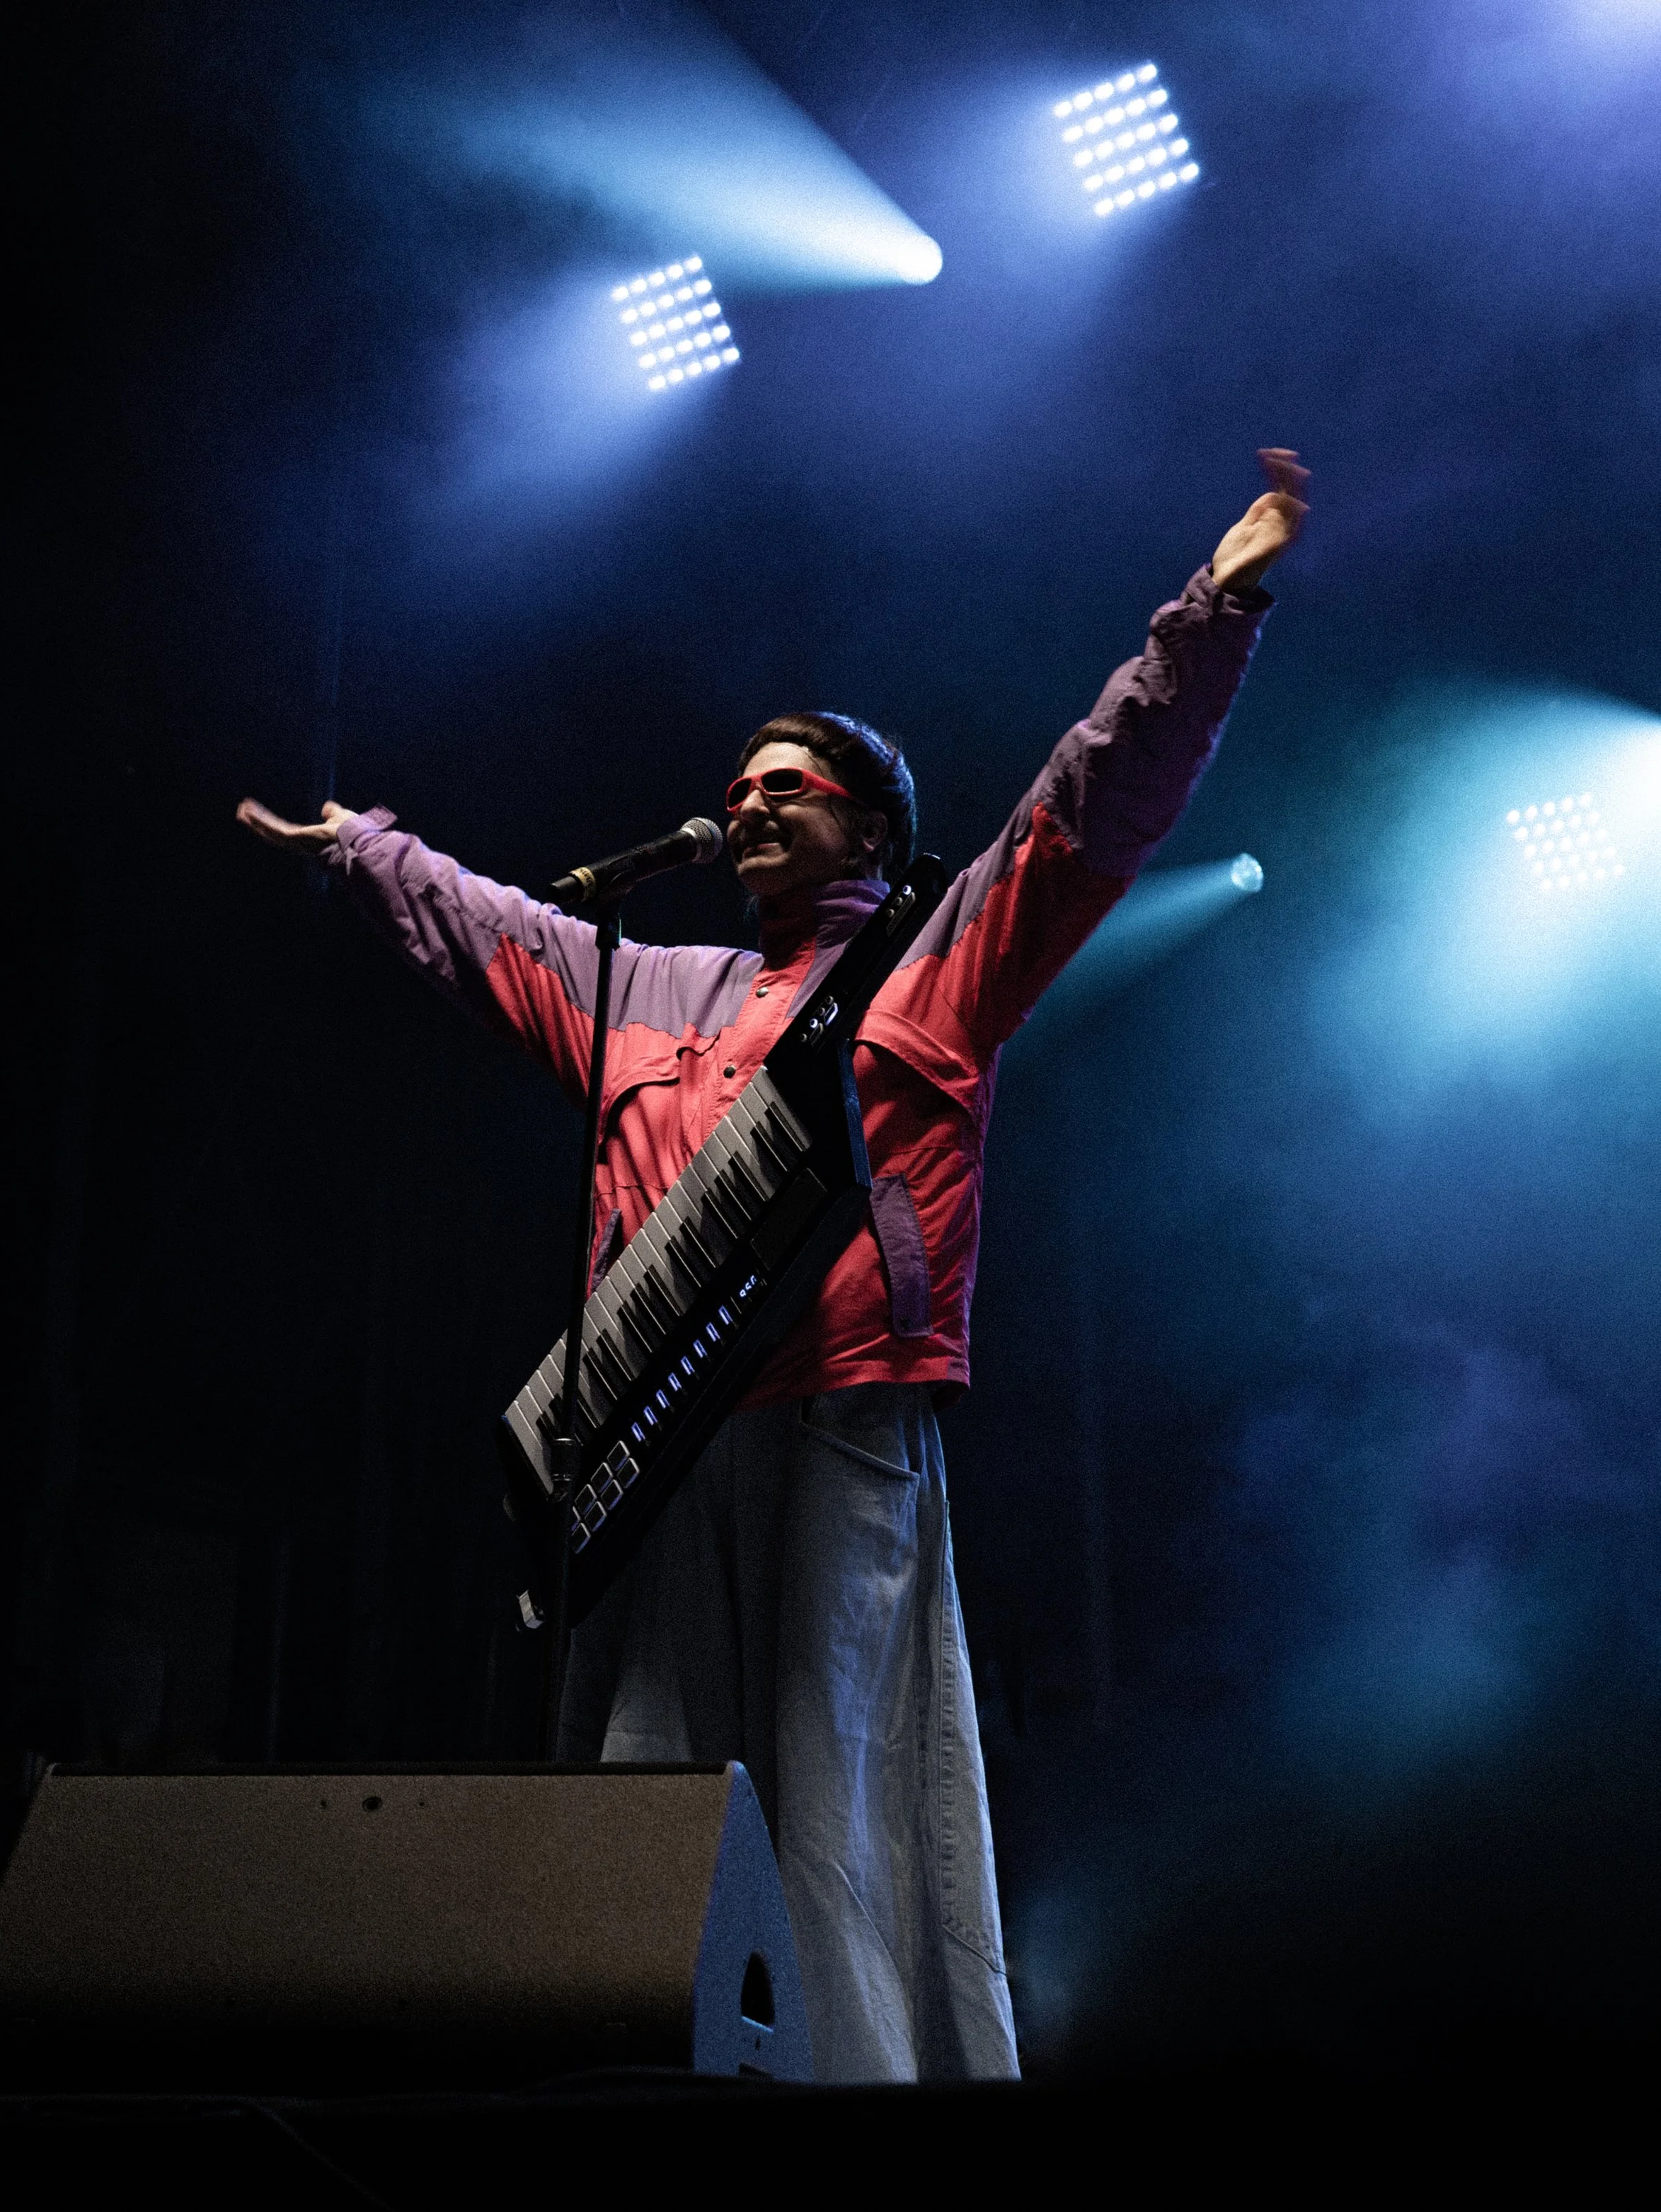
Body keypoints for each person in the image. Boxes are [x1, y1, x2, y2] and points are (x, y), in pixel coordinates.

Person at [238, 448, 1309, 2082]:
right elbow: (497, 925)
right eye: (736, 788)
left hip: (839, 1420)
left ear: (868, 820)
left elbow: (1093, 792)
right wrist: (365, 849)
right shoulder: (642, 984)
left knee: (836, 1792)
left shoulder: (935, 962)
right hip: (656, 1449)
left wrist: (1208, 612)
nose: (746, 802)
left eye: (785, 786)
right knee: (648, 1794)